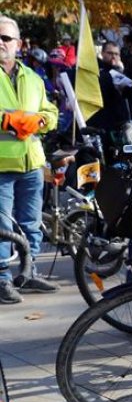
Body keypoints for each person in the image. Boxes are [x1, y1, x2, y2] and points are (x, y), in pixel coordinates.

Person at [0, 16, 60, 304]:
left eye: (6, 38)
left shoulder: (34, 79)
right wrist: (6, 121)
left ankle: (28, 270)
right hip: (1, 165)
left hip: (31, 163)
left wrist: (38, 121)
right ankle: (2, 278)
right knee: (2, 227)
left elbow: (51, 113)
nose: (1, 43)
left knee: (31, 222)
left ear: (18, 44)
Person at [87, 40, 131, 133]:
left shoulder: (121, 73)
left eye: (116, 54)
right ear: (102, 53)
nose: (113, 56)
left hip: (121, 122)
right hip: (102, 122)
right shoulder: (97, 73)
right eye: (110, 53)